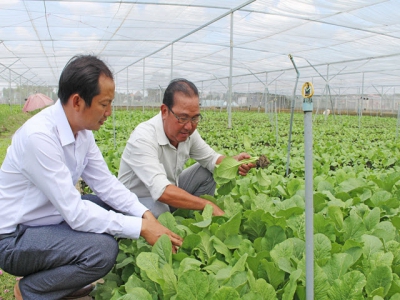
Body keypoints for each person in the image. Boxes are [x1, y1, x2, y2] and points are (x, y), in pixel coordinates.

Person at [0, 55, 182, 300]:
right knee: (102, 251)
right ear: (77, 101)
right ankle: (32, 290)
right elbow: (75, 214)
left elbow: (106, 183)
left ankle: (61, 281)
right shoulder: (39, 137)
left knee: (109, 205)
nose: (109, 112)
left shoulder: (82, 133)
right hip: (14, 238)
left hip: (45, 220)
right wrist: (140, 228)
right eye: (104, 104)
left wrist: (143, 215)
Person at [118, 78, 255, 218]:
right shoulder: (143, 137)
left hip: (169, 191)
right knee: (160, 210)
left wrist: (233, 162)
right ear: (165, 111)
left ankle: (191, 221)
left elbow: (211, 159)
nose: (189, 126)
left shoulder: (187, 133)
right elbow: (161, 191)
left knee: (208, 171)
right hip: (136, 201)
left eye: (195, 118)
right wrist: (205, 204)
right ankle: (173, 220)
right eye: (182, 118)